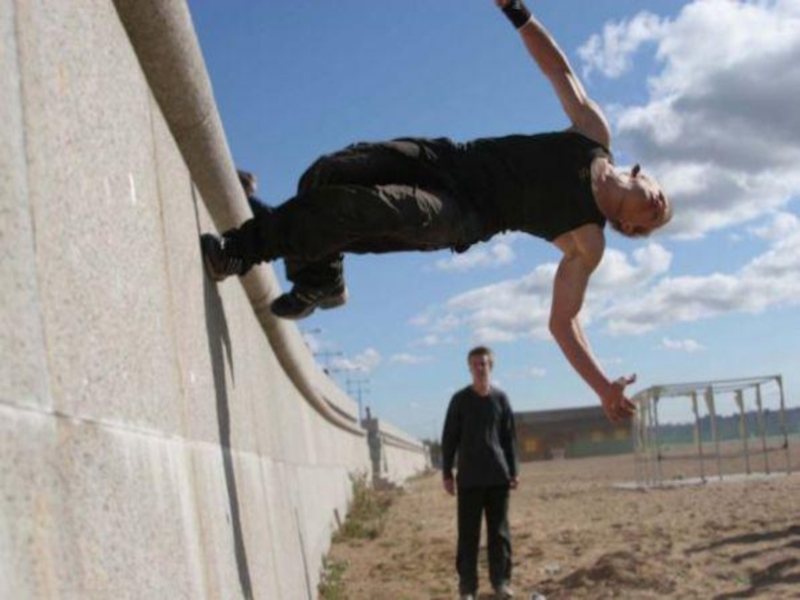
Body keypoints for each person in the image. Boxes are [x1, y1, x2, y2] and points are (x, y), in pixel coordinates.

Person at [201, 0, 672, 421]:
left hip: (460, 214)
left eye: (655, 219)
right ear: (642, 173)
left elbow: (563, 323)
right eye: (661, 198)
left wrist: (602, 386)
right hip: (448, 158)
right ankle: (320, 278)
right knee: (326, 173)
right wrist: (516, 10)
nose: (657, 206)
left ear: (629, 226)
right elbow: (558, 70)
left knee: (362, 208)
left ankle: (239, 251)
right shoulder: (594, 134)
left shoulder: (588, 240)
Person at [441, 346, 518, 600]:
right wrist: (447, 473)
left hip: (498, 478)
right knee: (468, 536)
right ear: (469, 368)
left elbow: (509, 438)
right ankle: (468, 588)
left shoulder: (501, 399)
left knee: (500, 534)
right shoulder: (459, 400)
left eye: (483, 363)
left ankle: (501, 583)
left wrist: (514, 470)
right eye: (475, 364)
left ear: (490, 366)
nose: (479, 368)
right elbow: (449, 438)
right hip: (469, 480)